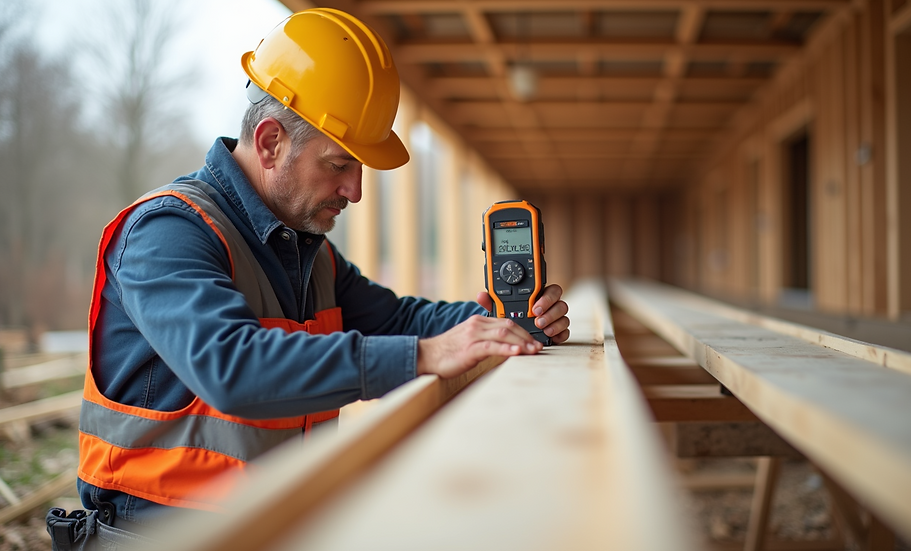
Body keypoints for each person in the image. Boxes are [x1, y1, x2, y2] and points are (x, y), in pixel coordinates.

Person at [46, 8, 569, 549]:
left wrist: (507, 321)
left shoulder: (307, 253)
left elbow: (399, 318)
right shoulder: (166, 233)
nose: (356, 191)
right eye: (340, 164)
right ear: (271, 141)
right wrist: (426, 355)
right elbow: (233, 368)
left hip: (275, 525)